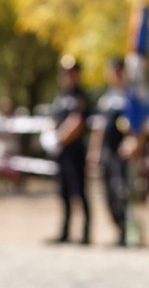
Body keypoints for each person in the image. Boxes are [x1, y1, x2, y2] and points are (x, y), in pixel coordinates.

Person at [49, 56, 92, 245]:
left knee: (80, 193)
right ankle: (65, 232)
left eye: (72, 72)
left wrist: (59, 138)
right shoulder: (60, 97)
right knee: (63, 193)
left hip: (75, 152)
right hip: (61, 153)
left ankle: (86, 234)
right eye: (65, 72)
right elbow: (54, 121)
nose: (68, 76)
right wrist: (51, 136)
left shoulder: (80, 97)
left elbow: (78, 122)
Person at [93, 57, 134, 245]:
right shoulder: (106, 98)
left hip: (123, 154)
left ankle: (127, 232)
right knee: (108, 194)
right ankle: (118, 230)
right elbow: (99, 128)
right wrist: (95, 151)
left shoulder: (131, 97)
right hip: (107, 153)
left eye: (119, 71)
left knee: (121, 193)